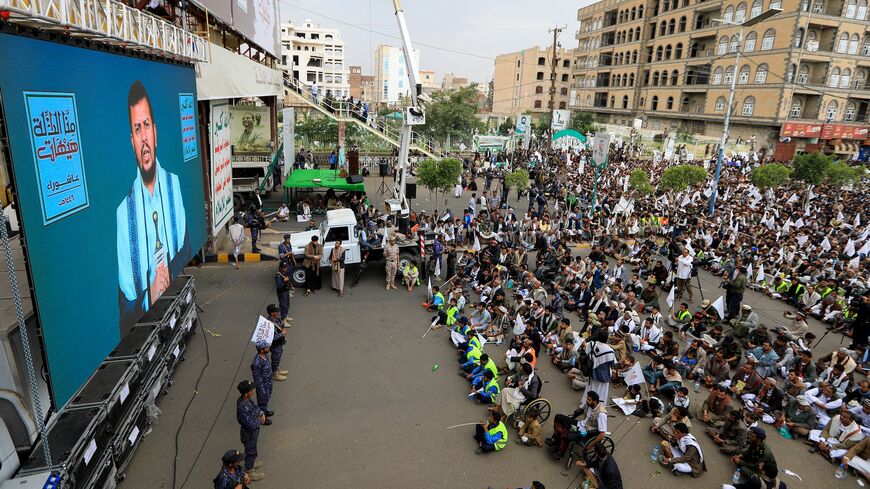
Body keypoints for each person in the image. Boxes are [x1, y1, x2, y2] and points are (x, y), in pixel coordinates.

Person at [117, 80, 189, 318]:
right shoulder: (123, 214)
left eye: (146, 125)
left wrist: (169, 272)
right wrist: (148, 297)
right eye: (137, 129)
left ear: (155, 134)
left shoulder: (174, 185)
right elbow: (125, 307)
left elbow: (186, 248)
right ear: (132, 142)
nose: (144, 138)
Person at [236, 380, 266, 481]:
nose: (253, 391)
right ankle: (250, 470)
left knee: (252, 450)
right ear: (246, 393)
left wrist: (261, 413)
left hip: (253, 432)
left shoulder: (247, 400)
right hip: (249, 434)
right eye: (251, 390)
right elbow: (250, 424)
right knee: (251, 451)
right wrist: (259, 421)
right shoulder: (242, 407)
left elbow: (254, 407)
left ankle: (251, 463)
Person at [251, 340, 274, 417]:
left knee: (266, 399)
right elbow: (257, 379)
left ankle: (265, 411)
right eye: (266, 347)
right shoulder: (256, 363)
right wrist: (262, 391)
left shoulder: (265, 355)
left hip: (268, 382)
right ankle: (262, 418)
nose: (268, 348)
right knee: (262, 401)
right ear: (261, 350)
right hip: (263, 386)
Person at [266, 304, 288, 381]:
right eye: (276, 311)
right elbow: (270, 338)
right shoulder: (268, 324)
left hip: (279, 343)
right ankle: (275, 374)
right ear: (272, 313)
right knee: (275, 358)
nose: (278, 312)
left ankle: (277, 369)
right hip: (274, 345)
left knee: (278, 358)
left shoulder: (276, 319)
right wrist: (282, 334)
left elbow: (278, 328)